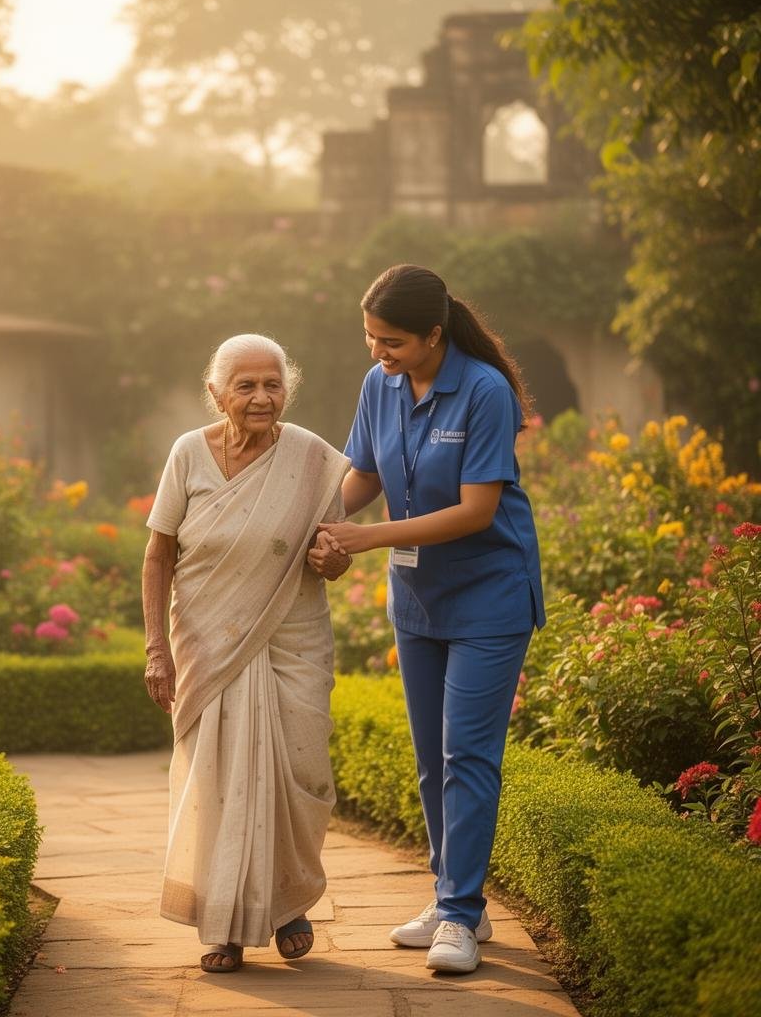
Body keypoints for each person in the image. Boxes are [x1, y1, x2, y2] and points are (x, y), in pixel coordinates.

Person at [316, 264, 545, 974]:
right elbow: (364, 474)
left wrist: (365, 538)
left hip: (489, 595)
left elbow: (477, 510)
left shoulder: (483, 390)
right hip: (417, 600)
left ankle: (461, 916)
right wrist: (315, 526)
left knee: (467, 757)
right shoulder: (378, 385)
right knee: (429, 760)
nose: (378, 354)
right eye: (370, 339)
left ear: (434, 335)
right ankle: (452, 899)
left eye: (392, 342)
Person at [142, 333, 351, 974]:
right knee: (218, 783)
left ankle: (287, 904)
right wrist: (156, 649)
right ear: (216, 392)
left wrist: (334, 558)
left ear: (287, 389)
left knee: (300, 772)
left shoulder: (313, 461)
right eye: (246, 386)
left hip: (293, 640)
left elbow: (332, 552)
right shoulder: (187, 454)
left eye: (272, 385)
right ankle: (224, 926)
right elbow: (158, 555)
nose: (262, 397)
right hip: (206, 641)